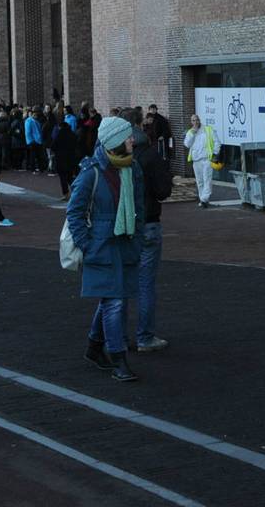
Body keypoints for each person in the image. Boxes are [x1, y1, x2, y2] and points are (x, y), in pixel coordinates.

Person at [66, 115, 145, 383]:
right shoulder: (92, 173)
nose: (132, 139)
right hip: (101, 246)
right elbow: (74, 213)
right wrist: (87, 244)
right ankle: (119, 360)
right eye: (127, 136)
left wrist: (139, 236)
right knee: (115, 302)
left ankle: (93, 347)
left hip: (125, 243)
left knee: (112, 296)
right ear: (114, 141)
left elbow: (139, 207)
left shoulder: (133, 169)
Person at [124, 109, 173, 353]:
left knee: (119, 284)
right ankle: (144, 336)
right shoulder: (150, 156)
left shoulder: (113, 157)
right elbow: (164, 191)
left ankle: (115, 336)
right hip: (149, 223)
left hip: (122, 225)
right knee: (145, 284)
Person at [183, 114, 218, 207]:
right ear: (191, 122)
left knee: (207, 179)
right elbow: (187, 144)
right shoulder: (190, 132)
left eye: (197, 120)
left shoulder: (208, 130)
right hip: (196, 159)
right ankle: (203, 199)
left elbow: (217, 142)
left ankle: (204, 198)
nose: (195, 122)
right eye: (193, 120)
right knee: (200, 181)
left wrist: (215, 153)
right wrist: (192, 134)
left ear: (199, 120)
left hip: (207, 159)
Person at [52, 106, 79, 199]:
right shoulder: (73, 135)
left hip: (60, 159)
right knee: (70, 177)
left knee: (63, 178)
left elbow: (54, 146)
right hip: (71, 159)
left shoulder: (59, 136)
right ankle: (76, 190)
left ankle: (66, 194)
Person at [24, 109, 44, 174]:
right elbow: (28, 132)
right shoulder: (28, 121)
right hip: (33, 141)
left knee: (38, 155)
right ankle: (33, 169)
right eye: (35, 115)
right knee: (33, 156)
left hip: (37, 140)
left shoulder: (35, 121)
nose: (36, 116)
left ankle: (39, 168)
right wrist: (31, 140)